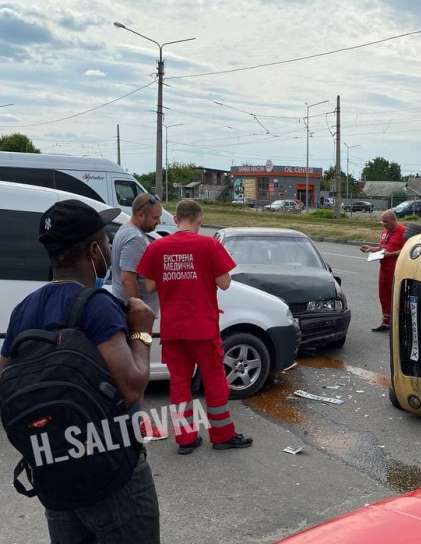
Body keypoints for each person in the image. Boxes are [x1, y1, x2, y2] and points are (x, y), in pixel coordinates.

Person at [0, 199, 160, 543]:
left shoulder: (23, 311)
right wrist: (142, 331)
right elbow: (132, 386)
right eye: (104, 242)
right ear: (93, 251)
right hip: (113, 474)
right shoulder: (97, 306)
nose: (106, 249)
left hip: (53, 475)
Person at [137, 199, 253, 454]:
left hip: (173, 329)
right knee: (214, 381)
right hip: (203, 328)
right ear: (199, 220)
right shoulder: (209, 244)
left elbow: (149, 286)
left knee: (179, 384)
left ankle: (185, 440)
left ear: (176, 219)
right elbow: (224, 283)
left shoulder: (158, 247)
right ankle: (222, 435)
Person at [111, 193, 167, 440]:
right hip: (134, 315)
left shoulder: (127, 231)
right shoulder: (134, 238)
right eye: (154, 218)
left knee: (130, 373)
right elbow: (127, 277)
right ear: (141, 213)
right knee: (137, 373)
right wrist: (138, 310)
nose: (157, 222)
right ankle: (137, 426)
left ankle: (132, 423)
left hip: (128, 311)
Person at [360, 210, 405, 332]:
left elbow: (406, 250)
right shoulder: (385, 232)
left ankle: (397, 324)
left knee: (395, 296)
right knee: (383, 296)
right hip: (384, 269)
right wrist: (370, 248)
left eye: (386, 222)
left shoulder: (403, 231)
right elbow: (381, 248)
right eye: (383, 222)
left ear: (393, 220)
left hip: (396, 269)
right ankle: (386, 322)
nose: (384, 224)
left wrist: (390, 254)